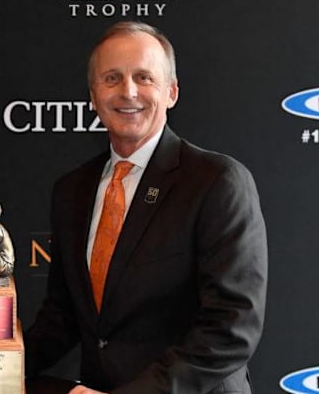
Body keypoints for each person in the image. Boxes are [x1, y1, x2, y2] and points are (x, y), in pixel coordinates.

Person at [24, 21, 268, 394]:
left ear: (171, 92)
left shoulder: (218, 181)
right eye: (111, 78)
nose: (128, 91)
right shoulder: (71, 190)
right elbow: (63, 315)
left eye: (144, 77)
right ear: (93, 95)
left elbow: (231, 328)